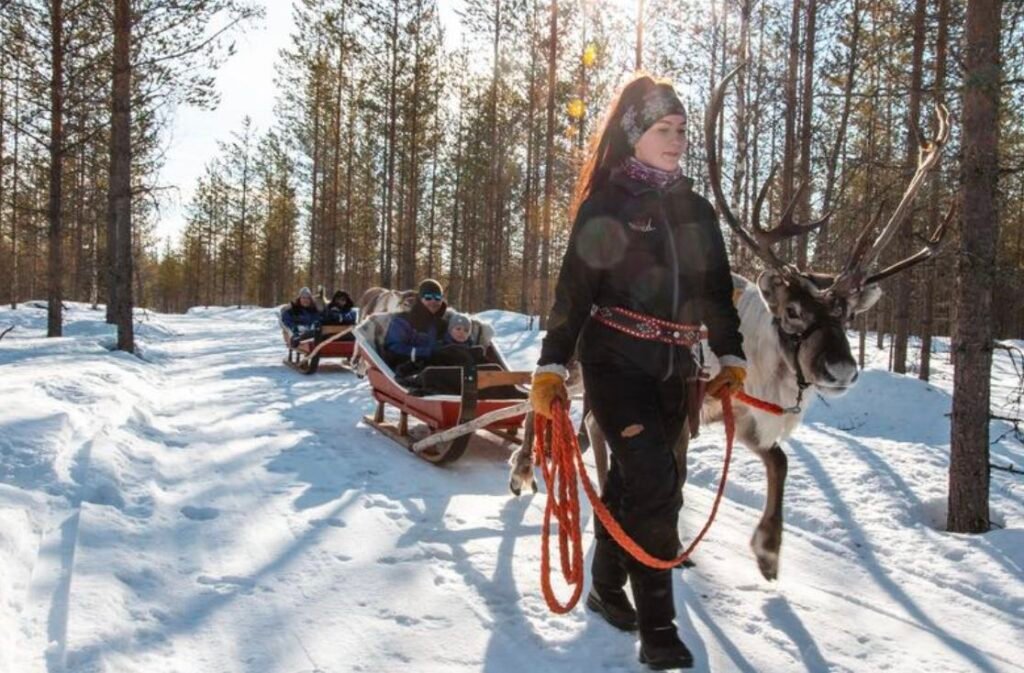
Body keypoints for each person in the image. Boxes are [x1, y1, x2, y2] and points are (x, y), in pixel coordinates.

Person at [528, 74, 747, 670]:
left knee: (633, 483)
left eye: (680, 130)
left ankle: (604, 584)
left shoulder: (697, 211)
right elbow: (573, 295)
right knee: (656, 484)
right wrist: (552, 365)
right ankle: (660, 630)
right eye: (662, 130)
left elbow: (717, 295)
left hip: (676, 367)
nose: (676, 140)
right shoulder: (607, 206)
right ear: (634, 137)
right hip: (614, 364)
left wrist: (731, 356)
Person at [383, 279, 449, 369]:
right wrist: (425, 353)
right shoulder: (403, 320)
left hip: (433, 370)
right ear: (420, 299)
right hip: (405, 369)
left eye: (438, 298)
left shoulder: (442, 324)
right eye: (428, 297)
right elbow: (393, 350)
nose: (433, 301)